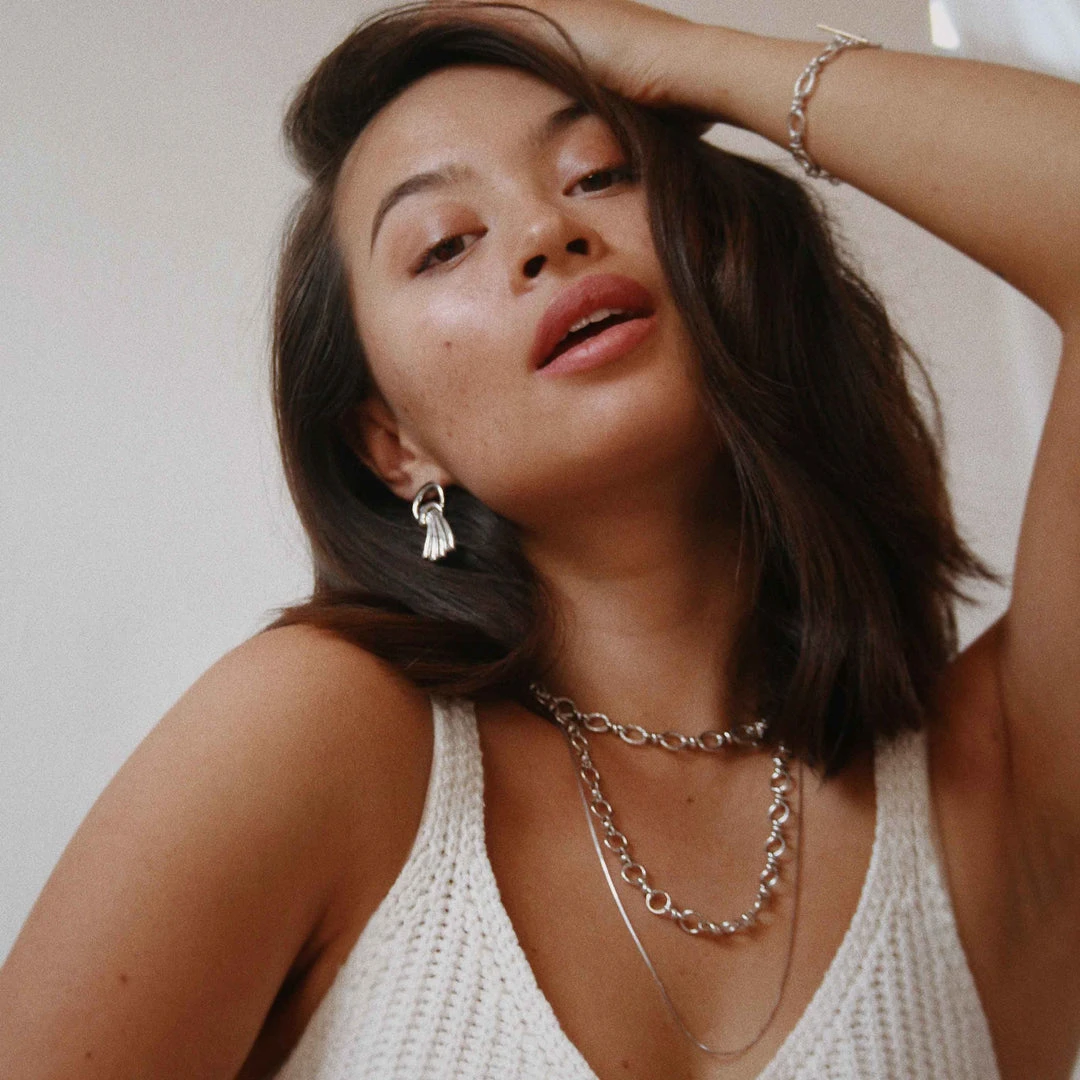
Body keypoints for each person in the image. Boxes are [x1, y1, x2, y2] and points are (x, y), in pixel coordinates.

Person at [1, 0, 1078, 1076]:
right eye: (445, 245)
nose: (546, 236)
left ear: (728, 255)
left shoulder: (995, 796)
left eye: (599, 174)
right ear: (393, 444)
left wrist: (682, 56)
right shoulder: (321, 736)